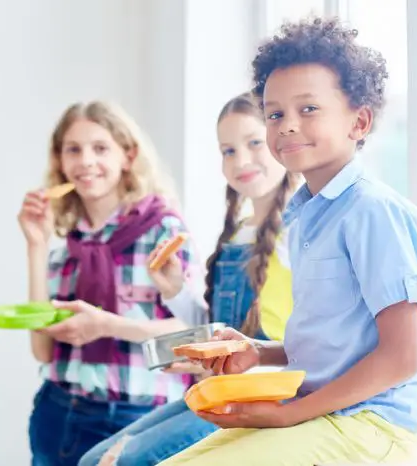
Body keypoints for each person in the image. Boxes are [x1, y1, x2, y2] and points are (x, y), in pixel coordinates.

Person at [158, 16, 417, 466]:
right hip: (324, 412)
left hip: (376, 425)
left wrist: (289, 415)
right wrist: (258, 352)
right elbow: (334, 342)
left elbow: (402, 358)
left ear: (359, 121)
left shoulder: (372, 211)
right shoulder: (306, 215)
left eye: (308, 109)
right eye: (275, 114)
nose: (286, 125)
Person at [78, 93, 299, 466]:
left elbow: (303, 345)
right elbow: (217, 331)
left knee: (122, 462)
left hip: (259, 397)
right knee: (94, 460)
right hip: (220, 389)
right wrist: (176, 290)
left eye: (253, 143)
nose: (240, 160)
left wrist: (235, 362)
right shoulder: (238, 234)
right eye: (228, 150)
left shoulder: (298, 233)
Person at [18, 100, 203, 466]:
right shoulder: (67, 246)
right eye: (73, 149)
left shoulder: (163, 232)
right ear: (60, 162)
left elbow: (196, 336)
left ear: (128, 156)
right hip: (58, 413)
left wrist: (107, 326)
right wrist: (36, 246)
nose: (86, 161)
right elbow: (42, 350)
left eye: (100, 148)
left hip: (137, 419)